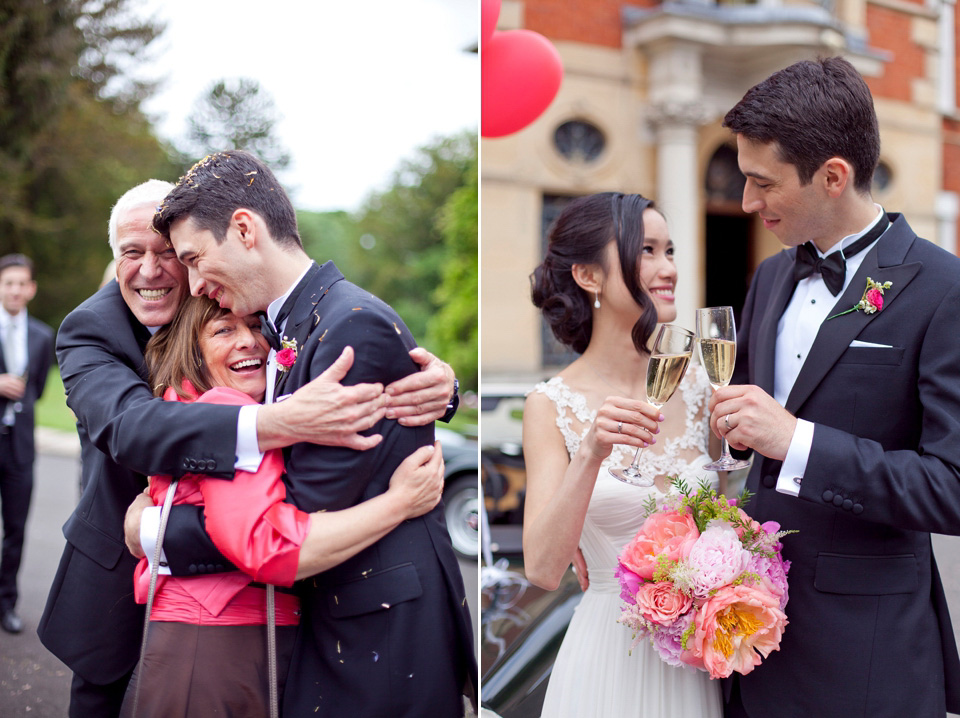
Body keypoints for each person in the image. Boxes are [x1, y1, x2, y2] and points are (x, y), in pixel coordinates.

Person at [37, 179, 456, 718]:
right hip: (119, 581)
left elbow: (340, 347)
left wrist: (437, 385)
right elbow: (131, 428)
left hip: (259, 612)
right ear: (113, 256)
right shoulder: (90, 329)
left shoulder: (231, 299)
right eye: (131, 253)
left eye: (170, 253)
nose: (153, 270)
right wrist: (270, 423)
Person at [153, 150, 476, 716]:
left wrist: (158, 529)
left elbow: (300, 507)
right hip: (342, 616)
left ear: (245, 229)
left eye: (195, 258)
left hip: (382, 631)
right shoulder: (294, 323)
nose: (197, 283)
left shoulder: (348, 325)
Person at [711, 56, 960, 718]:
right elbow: (750, 428)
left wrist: (798, 441)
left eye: (763, 184)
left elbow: (952, 488)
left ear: (833, 176)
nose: (746, 204)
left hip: (866, 659)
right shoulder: (770, 278)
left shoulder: (943, 289)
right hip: (749, 648)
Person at [118, 294, 445, 717]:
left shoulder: (238, 413)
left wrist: (442, 385)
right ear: (191, 353)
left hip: (218, 637)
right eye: (223, 330)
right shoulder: (226, 408)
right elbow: (271, 548)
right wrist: (400, 503)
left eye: (257, 327)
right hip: (216, 643)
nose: (249, 341)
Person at [522, 192, 722, 717]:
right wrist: (589, 454)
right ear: (589, 276)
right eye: (647, 251)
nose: (668, 268)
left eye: (670, 250)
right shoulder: (549, 406)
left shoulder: (702, 386)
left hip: (696, 664)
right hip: (606, 656)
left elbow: (734, 515)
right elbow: (542, 568)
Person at [0, 254, 53, 634]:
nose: (16, 289)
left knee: (15, 529)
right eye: (8, 283)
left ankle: (7, 604)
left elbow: (36, 391)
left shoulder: (41, 335)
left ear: (31, 289)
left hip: (19, 447)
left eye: (22, 283)